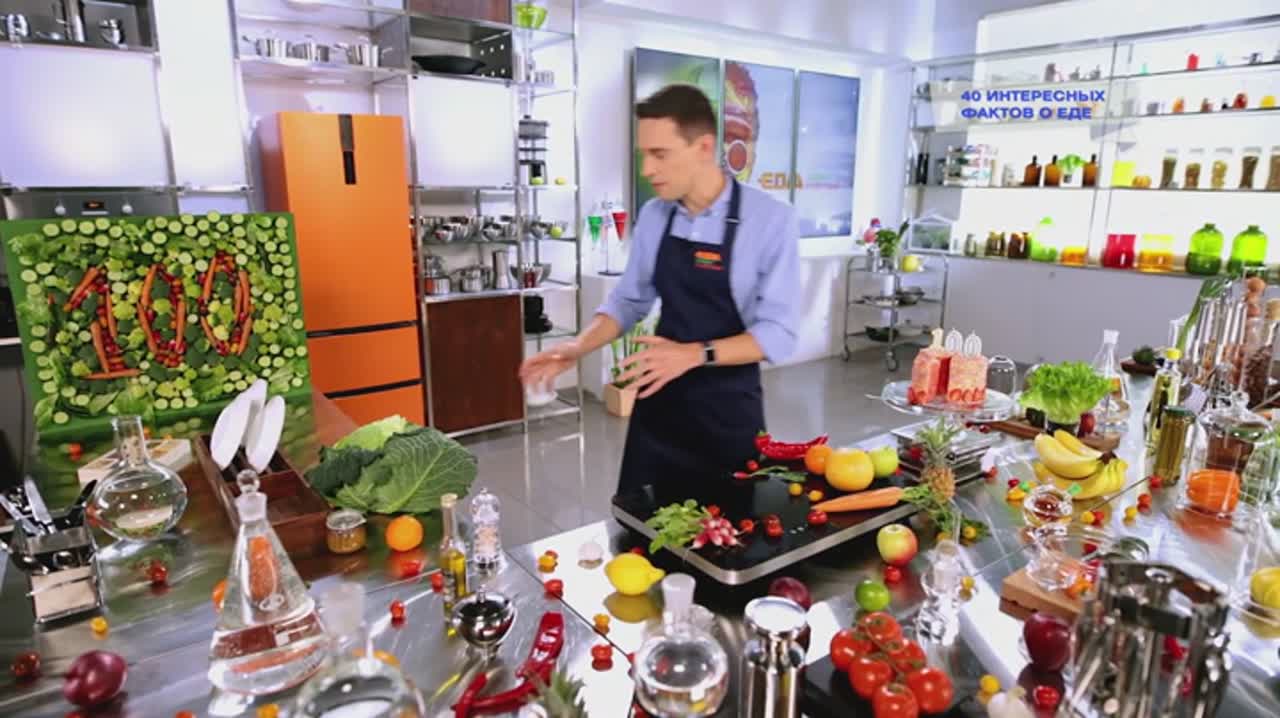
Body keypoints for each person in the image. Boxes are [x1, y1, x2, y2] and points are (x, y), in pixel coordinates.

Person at [519, 84, 800, 496]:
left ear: (704, 147)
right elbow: (629, 299)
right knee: (640, 522)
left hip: (727, 412)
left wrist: (694, 354)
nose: (647, 169)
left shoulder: (770, 220)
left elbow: (779, 332)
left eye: (660, 154)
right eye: (643, 155)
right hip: (660, 406)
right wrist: (577, 347)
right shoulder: (655, 215)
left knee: (726, 526)